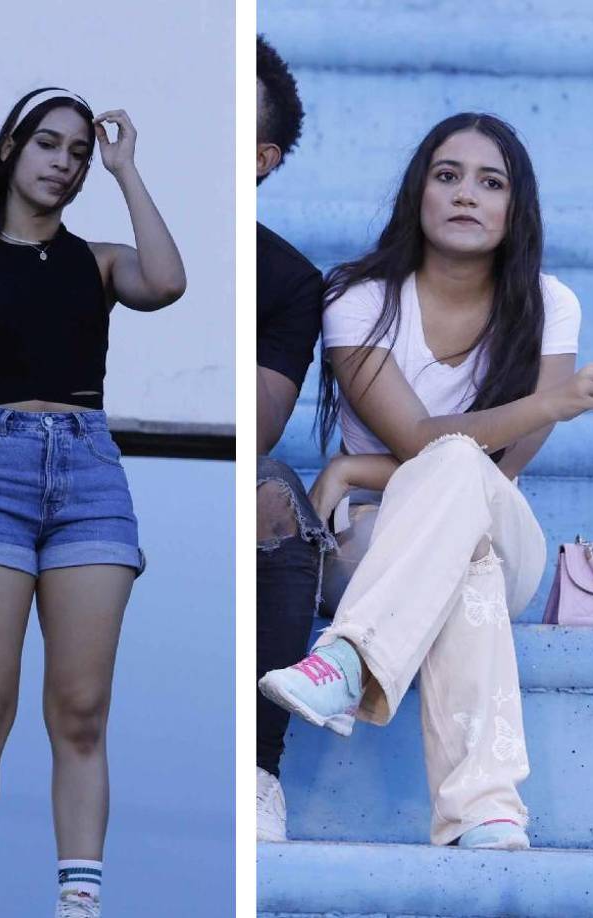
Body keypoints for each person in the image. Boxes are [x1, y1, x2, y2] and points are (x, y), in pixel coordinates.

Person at [259, 112, 593, 850]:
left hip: (496, 519)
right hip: (374, 541)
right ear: (417, 194)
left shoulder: (550, 304)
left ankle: (349, 657)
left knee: (464, 478)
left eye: (491, 182)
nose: (467, 194)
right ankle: (485, 810)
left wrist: (356, 466)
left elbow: (497, 471)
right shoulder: (358, 299)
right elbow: (422, 441)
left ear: (515, 207)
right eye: (448, 176)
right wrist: (553, 400)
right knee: (468, 567)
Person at [0, 87, 185, 918]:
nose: (64, 163)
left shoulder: (97, 263)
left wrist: (127, 170)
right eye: (50, 144)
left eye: (79, 152)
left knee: (82, 712)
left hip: (90, 477)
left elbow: (167, 281)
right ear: (13, 147)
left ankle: (79, 904)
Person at [254, 34, 334, 843]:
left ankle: (257, 771)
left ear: (263, 158)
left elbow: (258, 426)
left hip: (209, 464)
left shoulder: (286, 280)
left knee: (276, 493)